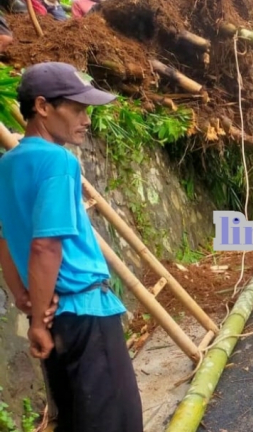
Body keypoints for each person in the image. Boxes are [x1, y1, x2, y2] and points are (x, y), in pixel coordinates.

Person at [0, 62, 143, 431]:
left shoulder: (8, 164)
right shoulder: (58, 161)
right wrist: (36, 322)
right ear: (44, 107)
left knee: (79, 419)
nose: (86, 120)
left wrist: (27, 300)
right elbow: (46, 246)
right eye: (77, 109)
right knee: (118, 422)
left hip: (55, 315)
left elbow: (5, 238)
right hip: (86, 314)